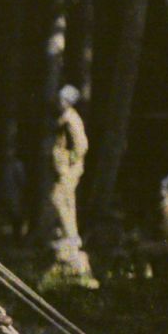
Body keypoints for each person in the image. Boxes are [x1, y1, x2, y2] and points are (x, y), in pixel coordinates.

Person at [46, 84, 97, 284]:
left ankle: (71, 237)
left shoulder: (71, 119)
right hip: (63, 168)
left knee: (60, 199)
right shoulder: (65, 118)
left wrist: (69, 162)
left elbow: (82, 145)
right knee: (63, 201)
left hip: (68, 169)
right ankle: (67, 235)